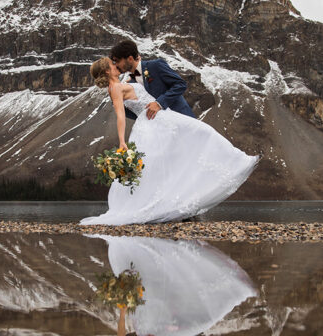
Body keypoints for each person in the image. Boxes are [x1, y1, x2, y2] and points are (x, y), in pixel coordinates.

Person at [79, 52, 258, 225]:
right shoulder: (116, 88)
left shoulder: (121, 83)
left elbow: (134, 84)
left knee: (176, 156)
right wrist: (122, 141)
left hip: (159, 119)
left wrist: (136, 66)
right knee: (200, 136)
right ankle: (236, 162)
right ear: (107, 71)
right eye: (112, 64)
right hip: (153, 122)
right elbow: (119, 115)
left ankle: (178, 203)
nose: (116, 64)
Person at [108, 39, 195, 120]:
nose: (116, 65)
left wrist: (159, 103)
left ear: (130, 59)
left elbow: (180, 84)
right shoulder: (131, 84)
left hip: (182, 118)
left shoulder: (155, 65)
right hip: (164, 129)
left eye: (118, 61)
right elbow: (139, 114)